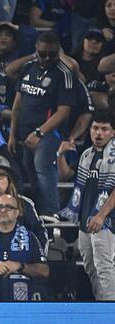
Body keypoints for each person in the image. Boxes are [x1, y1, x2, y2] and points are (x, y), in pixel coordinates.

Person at [8, 31, 75, 218]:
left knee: (42, 166)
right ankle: (37, 211)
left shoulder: (64, 73)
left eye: (51, 54)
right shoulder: (28, 67)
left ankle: (52, 210)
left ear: (58, 52)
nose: (46, 58)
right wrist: (12, 134)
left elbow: (64, 111)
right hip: (23, 130)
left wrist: (39, 133)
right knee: (29, 171)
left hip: (48, 132)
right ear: (36, 50)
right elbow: (17, 105)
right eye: (42, 53)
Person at [59, 114, 115, 301]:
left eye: (104, 129)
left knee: (105, 267)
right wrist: (60, 155)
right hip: (85, 222)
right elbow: (66, 175)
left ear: (113, 132)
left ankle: (110, 312)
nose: (99, 133)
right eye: (95, 128)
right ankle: (102, 305)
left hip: (106, 222)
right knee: (91, 268)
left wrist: (101, 215)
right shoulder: (86, 154)